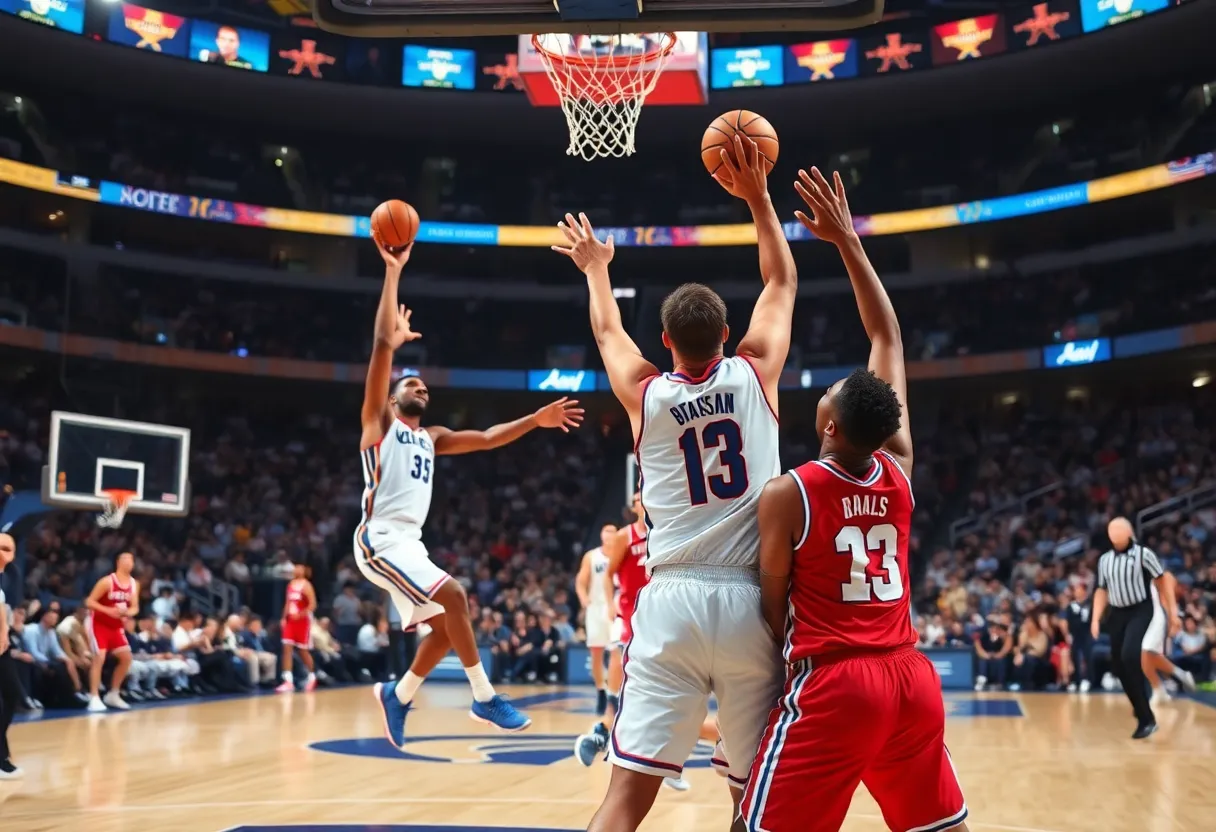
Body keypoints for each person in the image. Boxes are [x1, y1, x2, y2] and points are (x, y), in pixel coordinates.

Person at [555, 131, 795, 830]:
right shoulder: (756, 370)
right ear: (727, 334)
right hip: (751, 601)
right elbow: (781, 283)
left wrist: (596, 270)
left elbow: (607, 334)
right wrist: (759, 198)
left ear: (664, 342)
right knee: (751, 799)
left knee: (624, 800)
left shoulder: (646, 393)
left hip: (670, 602)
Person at [741, 168, 967, 832]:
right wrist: (847, 241)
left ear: (831, 427)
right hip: (910, 680)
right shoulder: (899, 468)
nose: (832, 387)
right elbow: (887, 338)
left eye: (831, 393)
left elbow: (773, 602)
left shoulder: (790, 492)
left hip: (837, 683)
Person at [361, 235, 582, 747]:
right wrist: (393, 273)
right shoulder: (379, 426)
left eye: (425, 386)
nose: (421, 388)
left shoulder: (432, 437)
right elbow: (380, 347)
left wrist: (536, 419)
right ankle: (484, 697)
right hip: (379, 539)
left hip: (409, 543)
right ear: (391, 399)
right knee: (456, 594)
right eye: (411, 384)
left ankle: (398, 694)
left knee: (446, 626)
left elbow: (486, 439)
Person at [1092, 517, 1191, 739]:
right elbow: (1101, 589)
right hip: (1116, 613)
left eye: (1119, 530)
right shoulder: (1104, 560)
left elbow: (1163, 582)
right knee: (1119, 665)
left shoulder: (1144, 554)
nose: (1114, 534)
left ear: (1128, 533)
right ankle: (1140, 707)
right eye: (1112, 530)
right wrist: (1095, 618)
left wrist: (1173, 613)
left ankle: (1147, 718)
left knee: (1130, 655)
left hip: (1140, 609)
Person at [84, 551, 138, 712]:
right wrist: (108, 610)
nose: (129, 562)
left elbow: (135, 607)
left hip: (116, 627)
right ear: (118, 562)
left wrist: (127, 613)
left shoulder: (134, 584)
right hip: (98, 624)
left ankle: (113, 694)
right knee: (99, 657)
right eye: (125, 559)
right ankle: (94, 697)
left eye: (131, 560)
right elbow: (89, 601)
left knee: (126, 658)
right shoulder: (107, 581)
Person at [575, 525, 615, 715]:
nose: (608, 534)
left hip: (616, 607)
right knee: (596, 652)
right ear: (601, 535)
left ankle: (615, 692)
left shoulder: (621, 552)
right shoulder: (592, 556)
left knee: (617, 652)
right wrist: (584, 599)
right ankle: (601, 690)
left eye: (612, 531)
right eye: (606, 531)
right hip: (596, 608)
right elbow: (581, 581)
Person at [1140, 573, 1196, 705]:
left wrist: (1173, 619)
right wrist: (1173, 616)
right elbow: (1169, 597)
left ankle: (1161, 688)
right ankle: (1177, 677)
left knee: (1146, 653)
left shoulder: (1170, 595)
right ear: (1181, 584)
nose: (1184, 593)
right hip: (1152, 617)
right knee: (1146, 656)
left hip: (1158, 618)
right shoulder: (1168, 576)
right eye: (1184, 589)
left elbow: (1168, 603)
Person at [0, 532, 23, 778]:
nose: (5, 552)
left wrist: (8, 629)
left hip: (2, 645)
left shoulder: (12, 575)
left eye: (9, 548)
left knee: (12, 695)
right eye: (1, 547)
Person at [276, 563, 318, 693]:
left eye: (299, 567)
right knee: (286, 648)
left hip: (303, 621)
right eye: (295, 567)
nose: (296, 569)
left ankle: (312, 676)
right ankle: (288, 681)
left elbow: (312, 605)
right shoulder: (290, 584)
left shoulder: (307, 585)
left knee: (303, 650)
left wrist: (300, 614)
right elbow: (288, 603)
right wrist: (283, 618)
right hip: (290, 621)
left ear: (304, 570)